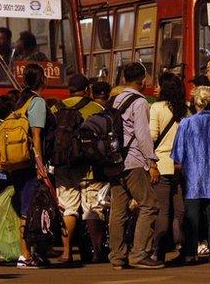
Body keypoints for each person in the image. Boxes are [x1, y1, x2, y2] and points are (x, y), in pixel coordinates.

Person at [108, 62, 162, 270]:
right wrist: (152, 162)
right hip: (133, 161)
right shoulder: (139, 102)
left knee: (118, 210)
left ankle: (117, 256)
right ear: (143, 80)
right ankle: (139, 254)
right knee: (149, 204)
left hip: (114, 161)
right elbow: (142, 134)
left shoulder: (114, 100)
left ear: (123, 79)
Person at [51, 74, 107, 264]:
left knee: (68, 209)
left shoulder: (55, 107)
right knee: (93, 208)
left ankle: (66, 253)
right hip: (90, 167)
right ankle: (97, 252)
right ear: (88, 89)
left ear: (69, 89)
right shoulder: (96, 107)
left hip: (63, 166)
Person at [172, 86, 210, 264]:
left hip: (192, 177)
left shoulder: (186, 123)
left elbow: (178, 154)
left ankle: (190, 253)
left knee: (192, 215)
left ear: (195, 102)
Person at [12, 64, 50, 269]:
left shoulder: (20, 100)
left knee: (25, 207)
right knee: (28, 209)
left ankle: (29, 252)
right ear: (43, 79)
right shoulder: (37, 102)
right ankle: (25, 254)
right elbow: (36, 136)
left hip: (16, 163)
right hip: (29, 163)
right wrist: (40, 164)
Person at [149, 73, 187, 263]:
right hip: (180, 166)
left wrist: (150, 163)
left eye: (158, 85)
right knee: (179, 209)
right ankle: (180, 243)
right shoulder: (185, 110)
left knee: (162, 211)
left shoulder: (156, 108)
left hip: (161, 164)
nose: (155, 88)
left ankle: (156, 250)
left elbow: (151, 136)